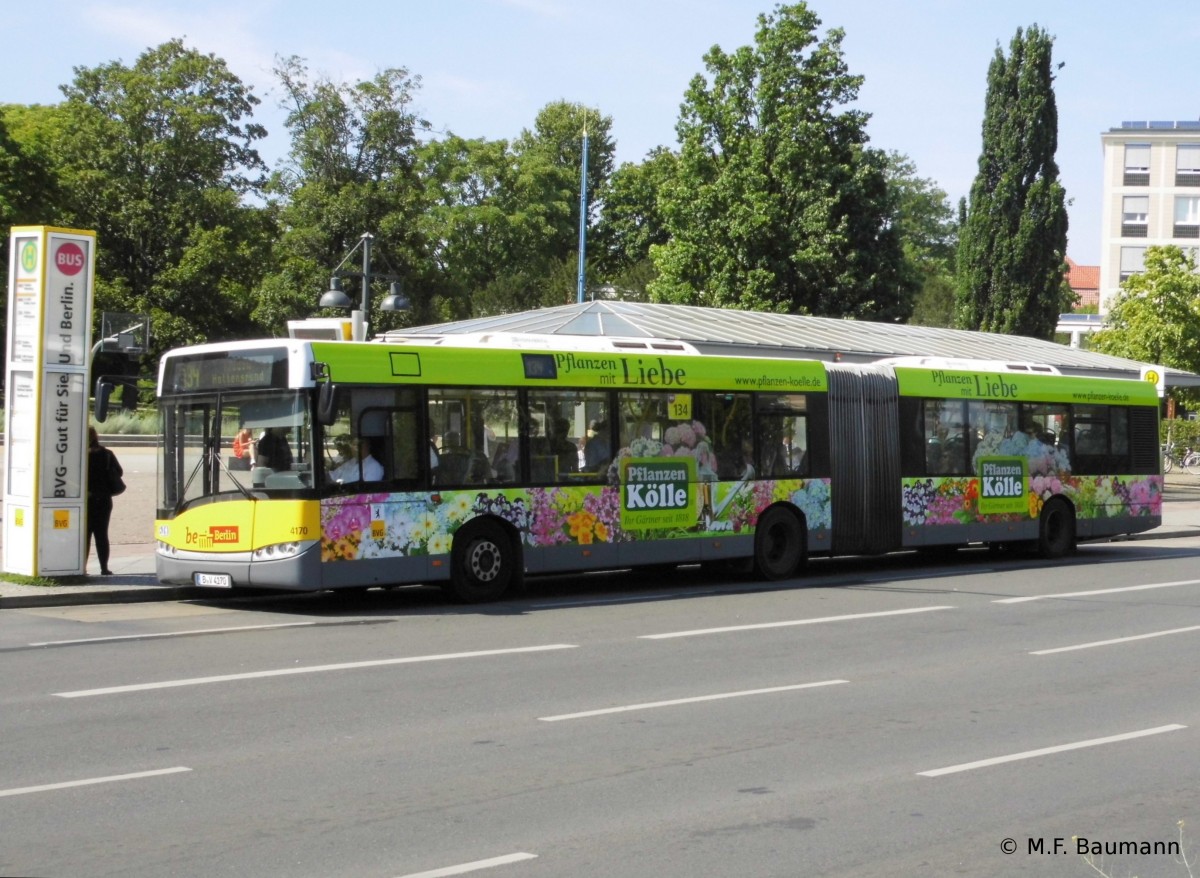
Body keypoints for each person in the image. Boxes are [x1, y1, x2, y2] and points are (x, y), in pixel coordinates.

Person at [86, 426, 122, 576]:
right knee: (102, 535)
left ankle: (82, 567)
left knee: (85, 535)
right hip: (104, 499)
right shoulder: (107, 454)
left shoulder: (80, 455)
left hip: (86, 499)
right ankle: (104, 568)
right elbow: (119, 472)